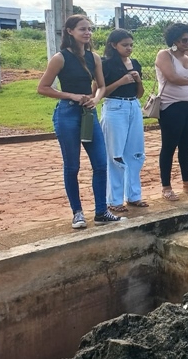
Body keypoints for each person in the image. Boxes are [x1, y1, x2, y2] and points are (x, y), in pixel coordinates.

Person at [37, 14, 126, 228]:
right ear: (70, 31)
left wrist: (95, 99)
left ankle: (101, 212)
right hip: (67, 114)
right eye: (82, 29)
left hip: (88, 114)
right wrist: (72, 96)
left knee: (100, 163)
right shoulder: (60, 58)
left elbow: (101, 85)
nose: (87, 33)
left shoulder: (93, 57)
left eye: (89, 29)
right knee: (72, 166)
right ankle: (77, 213)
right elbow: (43, 87)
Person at [155, 23, 188, 201]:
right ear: (174, 40)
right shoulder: (165, 55)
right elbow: (172, 77)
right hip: (171, 106)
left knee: (186, 146)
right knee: (169, 146)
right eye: (184, 40)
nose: (187, 43)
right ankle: (166, 186)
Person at [99, 28, 147, 213]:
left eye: (131, 45)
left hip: (133, 105)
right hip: (115, 107)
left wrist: (138, 81)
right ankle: (114, 199)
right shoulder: (106, 64)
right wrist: (120, 81)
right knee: (115, 155)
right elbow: (99, 91)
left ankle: (134, 195)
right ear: (113, 45)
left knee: (135, 153)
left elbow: (139, 93)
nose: (129, 48)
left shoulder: (134, 63)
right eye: (125, 45)